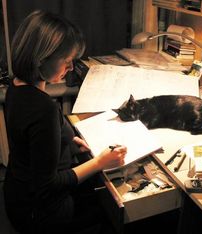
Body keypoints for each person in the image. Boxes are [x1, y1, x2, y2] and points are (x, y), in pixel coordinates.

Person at [3, 10, 127, 234]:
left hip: (16, 195)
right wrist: (100, 162)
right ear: (41, 60)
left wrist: (69, 139)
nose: (71, 68)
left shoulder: (16, 86)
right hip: (39, 213)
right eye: (68, 61)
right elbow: (47, 186)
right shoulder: (43, 108)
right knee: (115, 211)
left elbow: (33, 140)